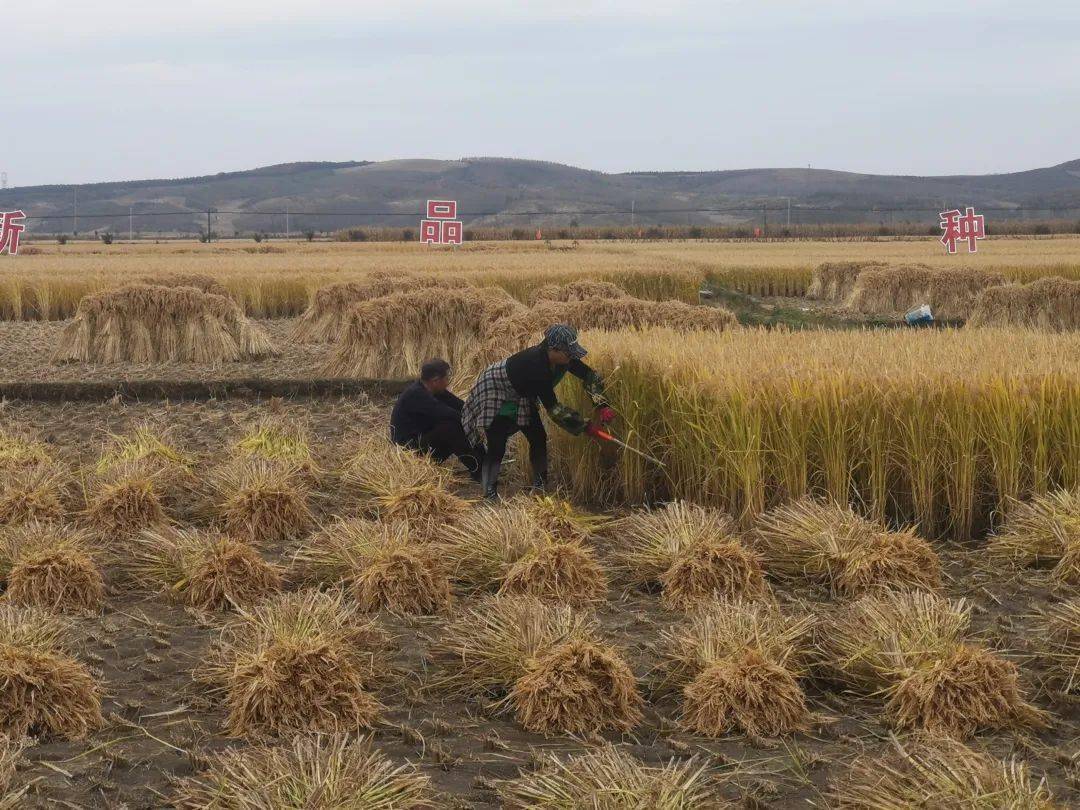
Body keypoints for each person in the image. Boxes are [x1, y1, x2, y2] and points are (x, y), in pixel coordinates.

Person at [461, 324, 615, 499]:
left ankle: (540, 486)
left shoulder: (562, 358)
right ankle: (489, 492)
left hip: (523, 392)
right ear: (553, 349)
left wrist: (602, 404)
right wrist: (584, 427)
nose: (572, 356)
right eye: (568, 352)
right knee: (497, 443)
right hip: (497, 390)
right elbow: (554, 409)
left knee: (538, 437)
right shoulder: (536, 367)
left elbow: (589, 375)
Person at [390, 358, 482, 481]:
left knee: (456, 424)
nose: (448, 382)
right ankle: (478, 469)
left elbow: (461, 406)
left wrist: (479, 413)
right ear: (435, 380)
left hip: (423, 442)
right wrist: (473, 421)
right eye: (446, 378)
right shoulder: (416, 394)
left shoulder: (433, 389)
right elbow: (449, 414)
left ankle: (482, 461)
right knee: (450, 428)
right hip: (409, 452)